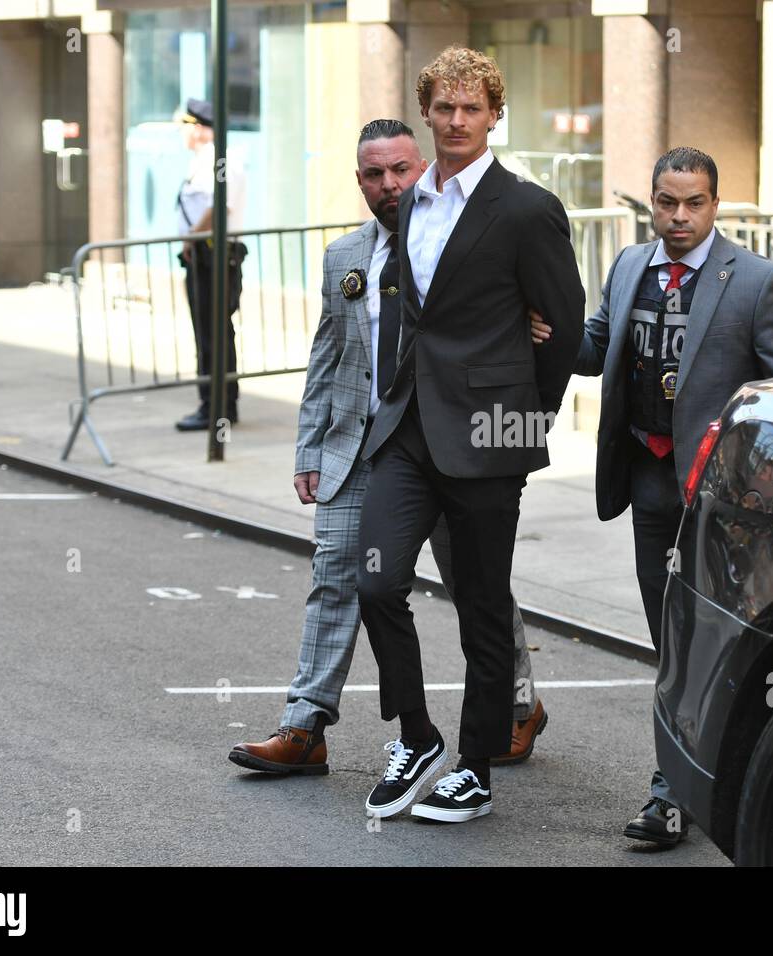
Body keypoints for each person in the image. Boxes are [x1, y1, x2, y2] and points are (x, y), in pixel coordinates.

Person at [228, 119, 545, 775]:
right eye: (374, 175)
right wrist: (310, 446)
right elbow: (328, 356)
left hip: (451, 448)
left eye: (401, 170)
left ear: (422, 166)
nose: (389, 185)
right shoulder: (345, 256)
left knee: (474, 582)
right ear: (360, 181)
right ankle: (304, 726)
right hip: (361, 450)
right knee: (336, 577)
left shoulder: (466, 247)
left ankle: (518, 705)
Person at [532, 147, 773, 847]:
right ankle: (681, 783)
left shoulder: (757, 281)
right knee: (670, 638)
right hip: (650, 479)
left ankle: (687, 790)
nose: (679, 216)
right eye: (666, 201)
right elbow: (599, 347)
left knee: (709, 643)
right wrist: (550, 333)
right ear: (651, 202)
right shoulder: (631, 266)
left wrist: (768, 489)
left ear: (717, 204)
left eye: (693, 203)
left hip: (724, 501)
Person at [356, 46, 583, 824]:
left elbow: (567, 321)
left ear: (493, 115)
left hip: (489, 434)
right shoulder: (412, 198)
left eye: (471, 109)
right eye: (444, 109)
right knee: (376, 580)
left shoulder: (525, 208)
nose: (456, 121)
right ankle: (416, 737)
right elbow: (412, 309)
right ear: (428, 113)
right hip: (411, 428)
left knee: (482, 605)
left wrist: (526, 414)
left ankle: (476, 766)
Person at [175, 98, 247, 431]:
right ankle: (215, 404)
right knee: (209, 331)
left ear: (201, 128)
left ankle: (216, 407)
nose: (183, 135)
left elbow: (221, 205)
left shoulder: (221, 159)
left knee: (213, 332)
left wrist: (191, 236)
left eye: (186, 127)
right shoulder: (205, 160)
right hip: (204, 254)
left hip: (213, 254)